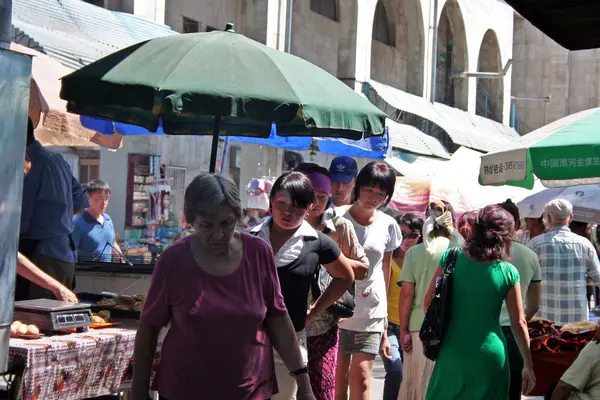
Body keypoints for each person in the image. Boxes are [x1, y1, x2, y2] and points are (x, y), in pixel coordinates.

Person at [131, 173, 314, 400]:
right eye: (206, 225)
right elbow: (149, 327)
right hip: (185, 391)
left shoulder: (259, 253)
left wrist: (304, 384)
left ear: (238, 215)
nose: (218, 234)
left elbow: (278, 319)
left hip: (251, 391)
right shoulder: (173, 261)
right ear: (191, 220)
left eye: (227, 223)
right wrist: (138, 390)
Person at [249, 171, 355, 400]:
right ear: (271, 201)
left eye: (297, 207)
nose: (288, 212)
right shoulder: (250, 239)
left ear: (309, 208)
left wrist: (315, 311)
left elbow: (345, 277)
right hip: (247, 338)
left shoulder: (317, 242)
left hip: (290, 341)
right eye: (282, 203)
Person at [424, 205, 536, 400]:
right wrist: (528, 365)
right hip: (491, 356)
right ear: (506, 235)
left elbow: (428, 305)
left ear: (475, 229)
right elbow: (519, 323)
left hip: (452, 351)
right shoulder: (508, 272)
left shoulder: (451, 259)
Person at [295, 163, 369, 400]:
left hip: (323, 325)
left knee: (323, 391)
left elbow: (362, 269)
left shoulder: (338, 225)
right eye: (310, 196)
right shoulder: (283, 223)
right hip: (284, 325)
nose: (315, 203)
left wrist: (331, 260)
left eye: (322, 197)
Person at [334, 162, 402, 400]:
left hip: (371, 312)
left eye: (381, 193)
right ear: (358, 186)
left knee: (362, 378)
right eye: (369, 190)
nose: (374, 197)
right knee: (337, 381)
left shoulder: (389, 225)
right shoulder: (336, 218)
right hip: (336, 310)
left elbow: (385, 272)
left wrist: (384, 323)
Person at [17, 117, 89, 300]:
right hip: (64, 251)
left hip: (38, 256)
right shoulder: (56, 159)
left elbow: (19, 221)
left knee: (35, 319)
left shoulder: (27, 164)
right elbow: (80, 200)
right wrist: (57, 220)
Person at [397, 200, 461, 400]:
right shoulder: (460, 250)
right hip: (453, 328)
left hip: (420, 328)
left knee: (415, 386)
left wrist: (403, 330)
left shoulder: (414, 252)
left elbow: (407, 293)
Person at [528, 199, 600, 326]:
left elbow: (523, 280)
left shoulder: (535, 244)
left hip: (545, 322)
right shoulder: (585, 245)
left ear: (548, 218)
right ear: (571, 217)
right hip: (578, 323)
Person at [498, 199, 542, 400]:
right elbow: (533, 305)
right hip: (515, 335)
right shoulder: (530, 255)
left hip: (483, 333)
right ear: (517, 225)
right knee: (512, 391)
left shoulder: (478, 256)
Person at [382, 210, 423, 400]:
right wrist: (382, 331)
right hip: (389, 325)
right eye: (402, 234)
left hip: (416, 328)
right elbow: (381, 294)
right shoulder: (388, 259)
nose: (406, 240)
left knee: (413, 378)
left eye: (413, 235)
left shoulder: (425, 260)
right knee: (396, 370)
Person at [72, 180, 124, 263]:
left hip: (107, 273)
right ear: (88, 198)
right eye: (99, 199)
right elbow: (70, 253)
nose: (103, 203)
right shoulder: (77, 224)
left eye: (106, 199)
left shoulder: (107, 219)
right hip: (88, 274)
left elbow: (112, 242)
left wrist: (122, 259)